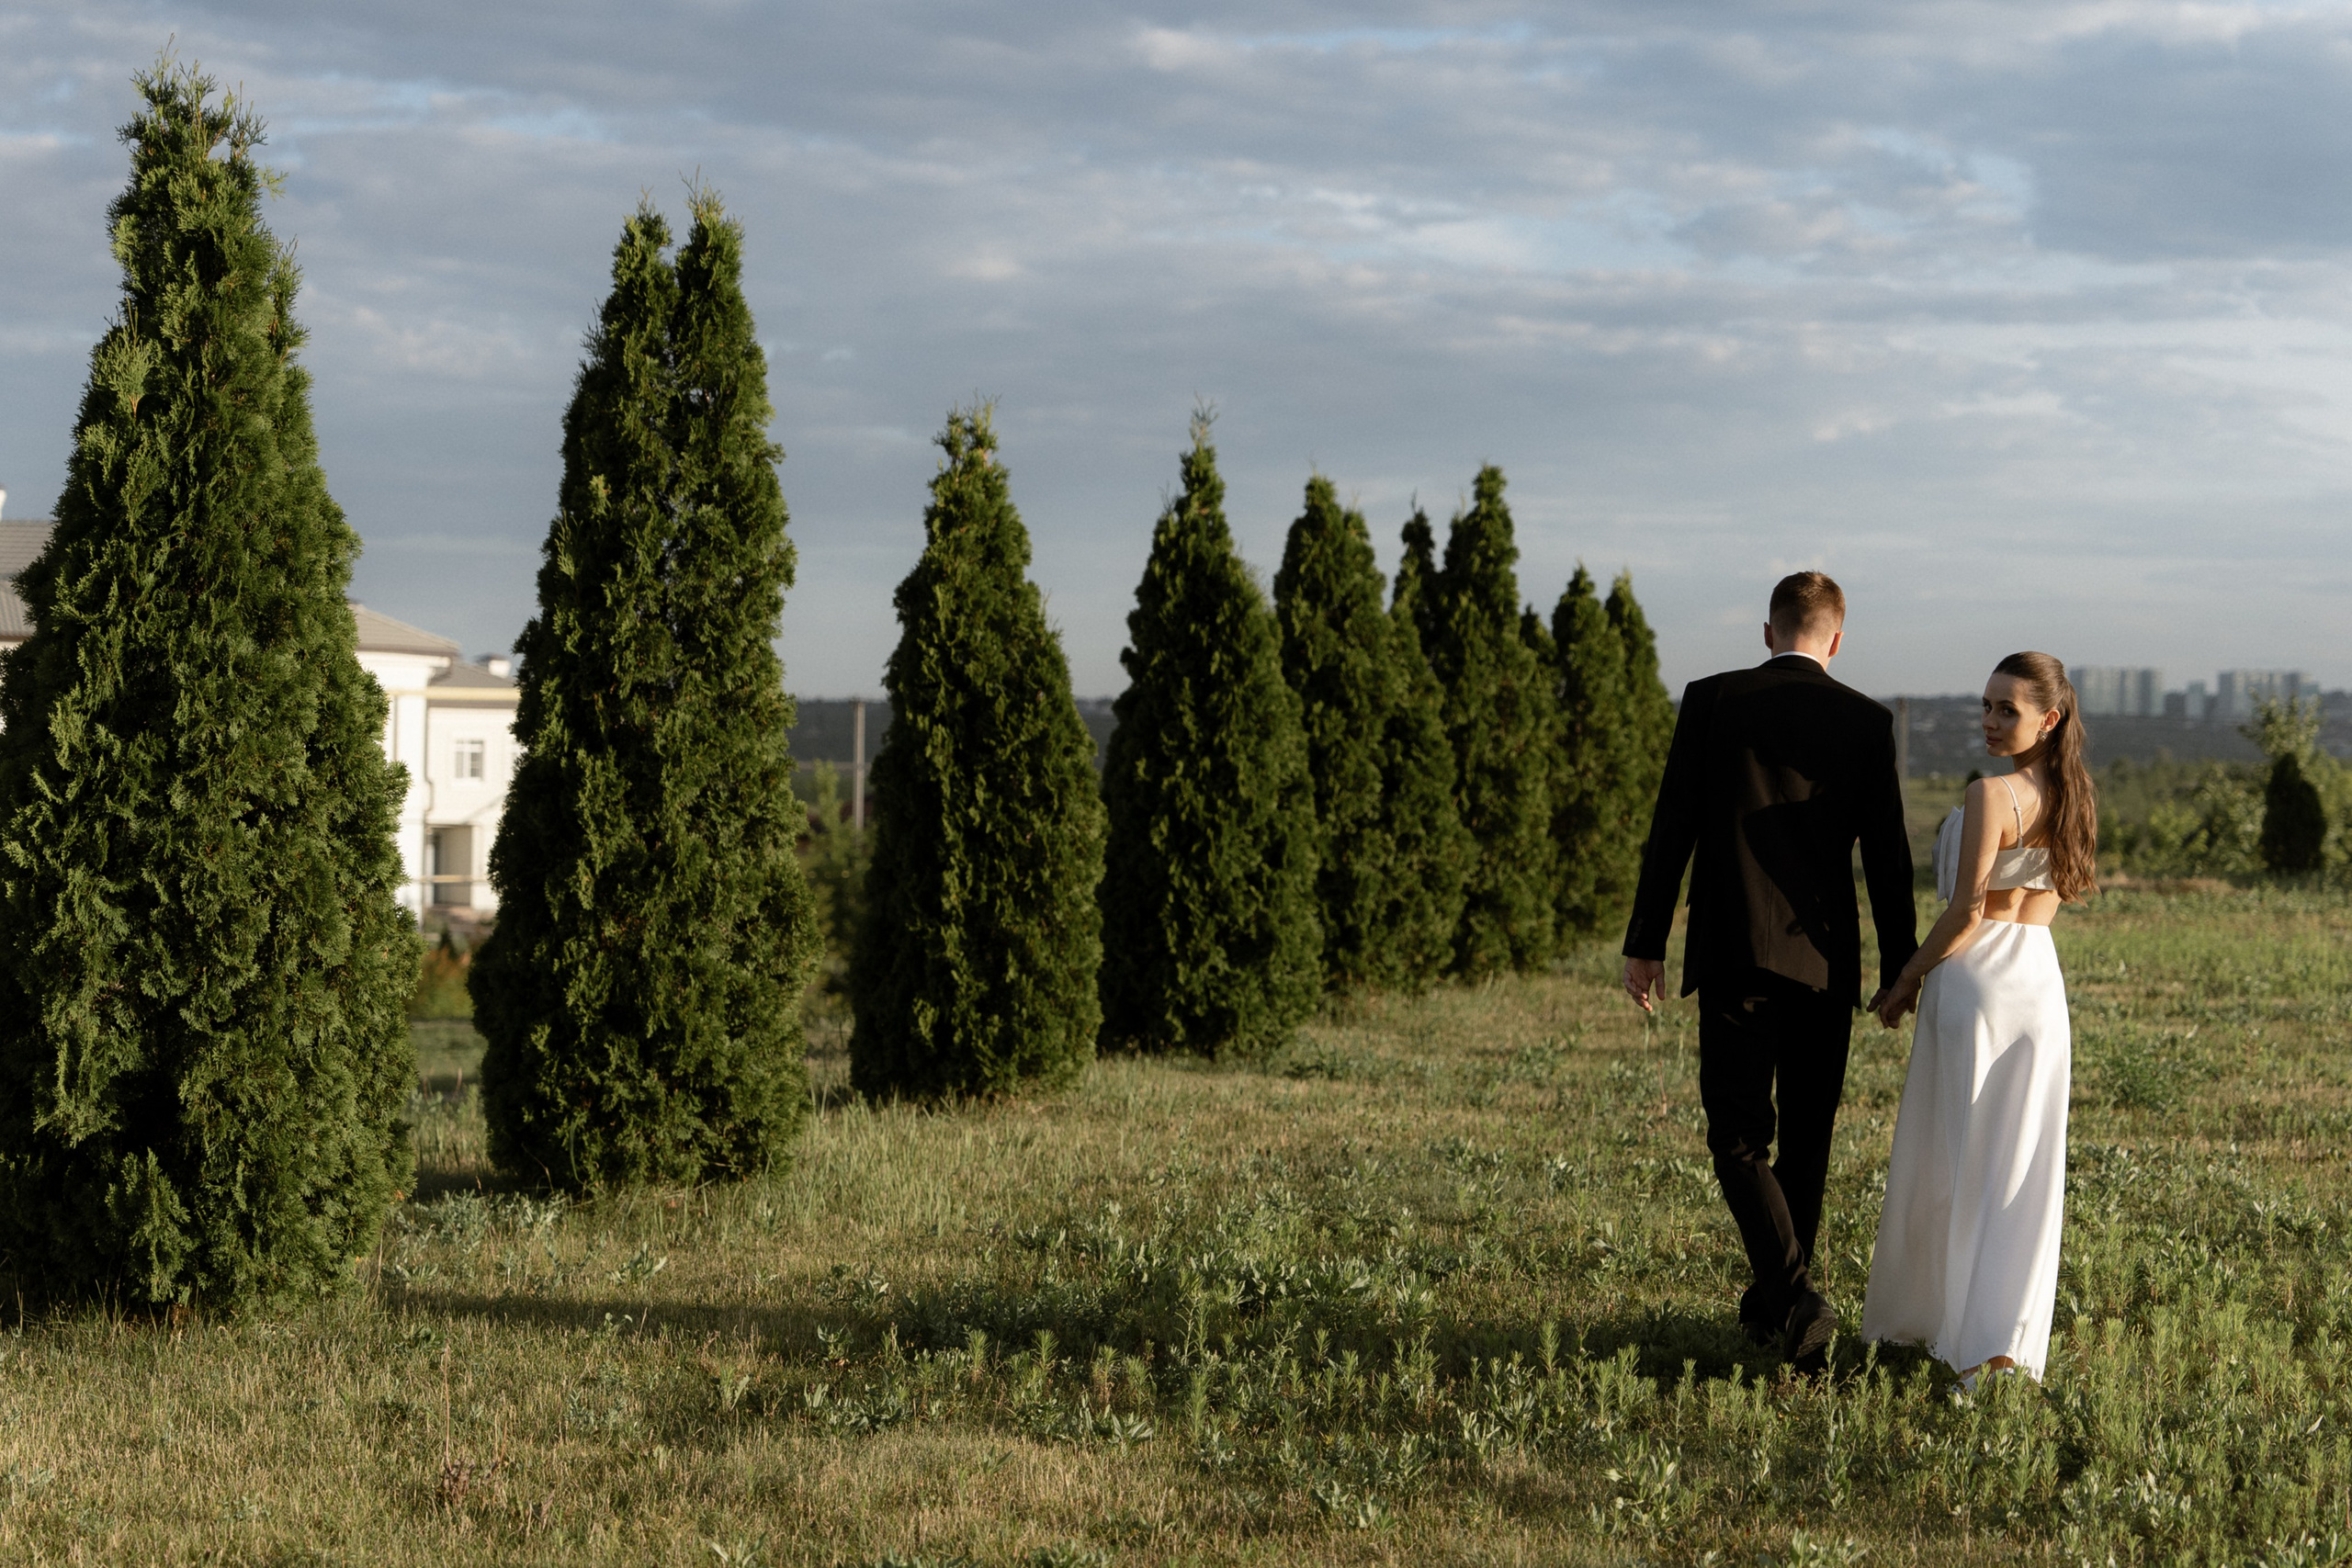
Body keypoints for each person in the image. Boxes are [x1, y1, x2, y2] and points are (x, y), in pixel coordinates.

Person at [1621, 571, 1917, 1372]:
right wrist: (1902, 967)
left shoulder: (1711, 699)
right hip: (1826, 961)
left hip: (1735, 949)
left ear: (1767, 631)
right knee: (1808, 1138)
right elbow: (1888, 857)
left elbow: (1672, 824)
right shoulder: (1865, 720)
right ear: (1837, 638)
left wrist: (1645, 938)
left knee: (1739, 1134)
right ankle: (1779, 1306)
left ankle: (1789, 1301)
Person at [1860, 652, 2093, 1389]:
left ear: (2047, 718)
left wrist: (1906, 978)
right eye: (1985, 706)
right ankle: (1999, 1340)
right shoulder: (2075, 795)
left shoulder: (1991, 792)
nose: (1990, 722)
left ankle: (1941, 1323)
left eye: (2007, 710)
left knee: (1951, 1157)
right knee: (2020, 1167)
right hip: (2038, 986)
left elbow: (1965, 914)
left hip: (1977, 982)